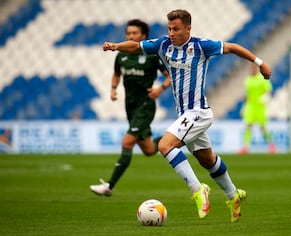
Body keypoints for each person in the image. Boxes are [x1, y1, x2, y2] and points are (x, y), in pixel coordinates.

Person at [102, 9, 271, 222]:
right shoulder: (163, 45)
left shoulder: (201, 47)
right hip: (185, 114)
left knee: (164, 146)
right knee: (207, 160)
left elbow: (233, 47)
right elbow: (135, 46)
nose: (171, 33)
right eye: (169, 28)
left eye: (176, 29)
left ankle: (197, 190)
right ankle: (233, 194)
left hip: (198, 112)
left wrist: (260, 63)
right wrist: (116, 46)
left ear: (188, 28)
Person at [90, 19, 171, 196]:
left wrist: (160, 89)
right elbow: (117, 74)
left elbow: (170, 76)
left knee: (127, 142)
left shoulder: (152, 56)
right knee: (149, 150)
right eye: (128, 33)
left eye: (134, 33)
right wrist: (113, 89)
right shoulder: (122, 56)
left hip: (145, 105)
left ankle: (109, 186)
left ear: (143, 36)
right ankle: (179, 137)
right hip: (130, 106)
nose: (131, 36)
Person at [238, 64, 276, 154]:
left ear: (257, 70)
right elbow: (247, 95)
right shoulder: (247, 80)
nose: (252, 70)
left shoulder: (262, 79)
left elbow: (268, 90)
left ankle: (271, 145)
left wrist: (265, 96)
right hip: (250, 106)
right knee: (248, 125)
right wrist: (244, 106)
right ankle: (245, 147)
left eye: (254, 69)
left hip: (260, 106)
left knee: (263, 127)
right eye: (251, 69)